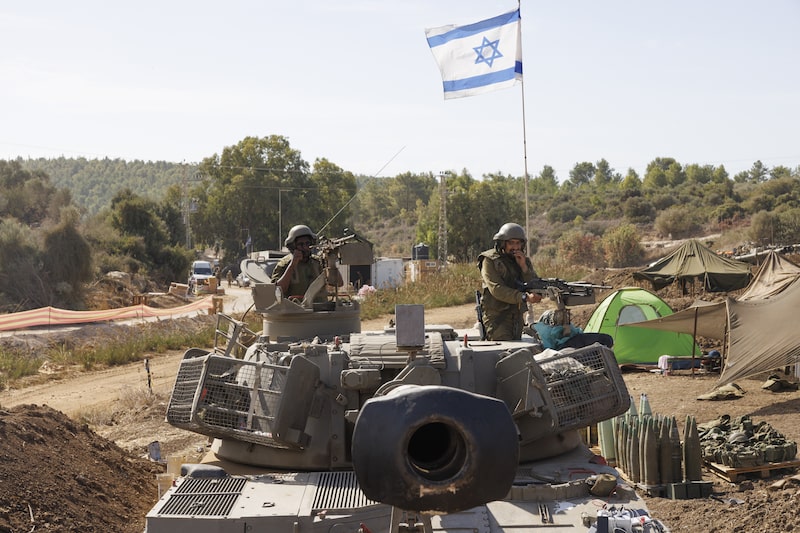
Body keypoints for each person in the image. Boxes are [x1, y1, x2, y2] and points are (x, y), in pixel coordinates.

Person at [477, 222, 542, 341]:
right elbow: (496, 289)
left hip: (517, 317)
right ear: (502, 243)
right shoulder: (490, 260)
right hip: (498, 319)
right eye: (511, 243)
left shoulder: (522, 260)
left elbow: (534, 284)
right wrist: (524, 297)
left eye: (518, 243)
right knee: (505, 349)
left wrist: (524, 267)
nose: (515, 247)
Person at [271, 224, 342, 301]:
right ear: (293, 246)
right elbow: (277, 290)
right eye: (300, 244)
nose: (305, 247)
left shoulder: (319, 262)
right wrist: (292, 265)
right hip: (295, 307)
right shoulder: (284, 264)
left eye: (307, 243)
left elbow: (339, 283)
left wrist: (331, 261)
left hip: (320, 306)